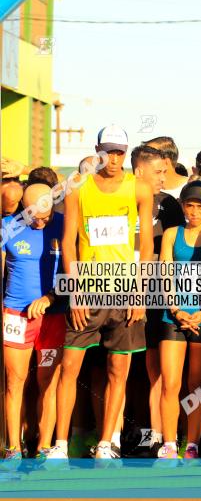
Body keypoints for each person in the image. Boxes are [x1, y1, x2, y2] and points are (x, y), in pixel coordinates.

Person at [47, 126, 154, 460]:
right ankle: (60, 446)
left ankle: (107, 444)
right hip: (88, 287)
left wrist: (139, 293)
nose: (114, 158)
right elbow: (68, 242)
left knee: (118, 372)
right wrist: (76, 293)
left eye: (120, 152)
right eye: (108, 151)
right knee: (69, 368)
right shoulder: (78, 187)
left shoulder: (139, 188)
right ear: (97, 150)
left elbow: (147, 243)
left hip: (124, 289)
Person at [156, 180, 201, 459]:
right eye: (189, 205)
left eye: (200, 206)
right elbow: (164, 274)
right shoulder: (172, 234)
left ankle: (192, 444)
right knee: (171, 383)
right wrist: (175, 308)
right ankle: (169, 444)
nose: (194, 211)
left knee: (199, 385)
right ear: (183, 205)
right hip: (173, 316)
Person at [2, 184, 66, 460]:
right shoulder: (7, 226)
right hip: (15, 315)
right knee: (14, 382)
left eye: (45, 217)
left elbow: (74, 270)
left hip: (53, 317)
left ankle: (43, 447)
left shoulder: (64, 223)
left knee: (48, 382)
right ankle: (13, 448)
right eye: (33, 217)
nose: (40, 223)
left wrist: (50, 298)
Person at [130, 144, 185, 456]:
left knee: (158, 371)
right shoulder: (121, 198)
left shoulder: (169, 205)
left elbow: (176, 252)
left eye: (166, 172)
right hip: (117, 292)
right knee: (121, 369)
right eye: (160, 172)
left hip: (156, 297)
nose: (166, 178)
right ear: (139, 171)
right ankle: (112, 438)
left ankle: (159, 436)